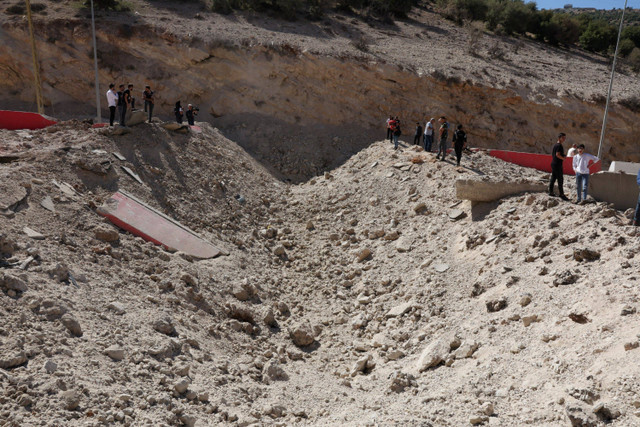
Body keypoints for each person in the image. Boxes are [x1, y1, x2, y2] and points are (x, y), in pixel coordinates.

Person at [549, 133, 569, 201]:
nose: (564, 139)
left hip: (554, 163)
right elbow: (557, 154)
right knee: (560, 179)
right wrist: (563, 158)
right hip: (557, 164)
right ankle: (561, 194)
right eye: (563, 138)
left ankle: (551, 192)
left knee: (553, 178)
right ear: (559, 138)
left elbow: (556, 154)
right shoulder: (559, 145)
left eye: (564, 138)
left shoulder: (555, 145)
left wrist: (563, 155)